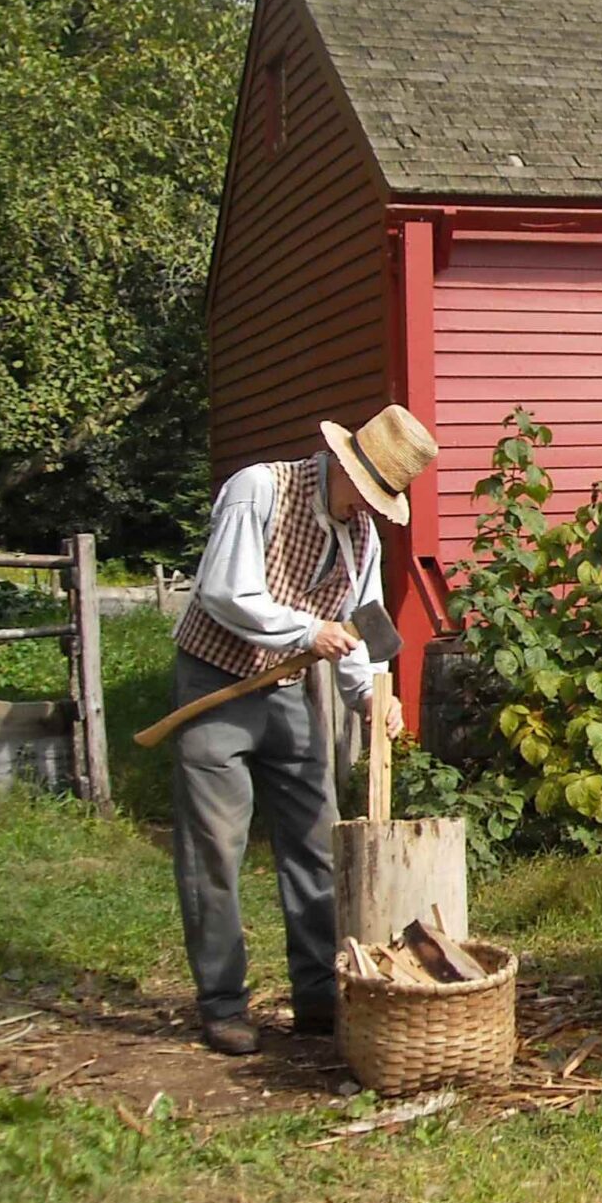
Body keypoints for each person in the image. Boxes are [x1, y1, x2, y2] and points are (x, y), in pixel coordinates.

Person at [167, 404, 438, 1054]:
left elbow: (363, 628)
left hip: (289, 692)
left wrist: (376, 696)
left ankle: (319, 996)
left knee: (316, 841)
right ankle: (223, 1004)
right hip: (216, 684)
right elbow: (225, 592)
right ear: (343, 467)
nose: (364, 508)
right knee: (215, 848)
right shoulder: (259, 489)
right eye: (365, 493)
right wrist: (305, 630)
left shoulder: (362, 536)